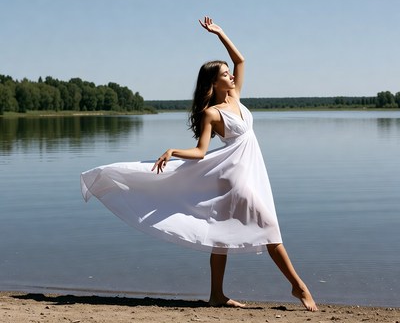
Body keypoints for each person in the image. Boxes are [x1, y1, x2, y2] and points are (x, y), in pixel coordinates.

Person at [81, 17, 317, 311]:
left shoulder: (236, 97)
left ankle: (216, 295)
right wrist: (173, 151)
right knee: (269, 227)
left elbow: (241, 60)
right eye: (225, 74)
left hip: (252, 172)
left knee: (221, 235)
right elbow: (201, 151)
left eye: (230, 74)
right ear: (214, 82)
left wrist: (220, 33)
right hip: (235, 177)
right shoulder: (213, 113)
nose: (231, 76)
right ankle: (298, 286)